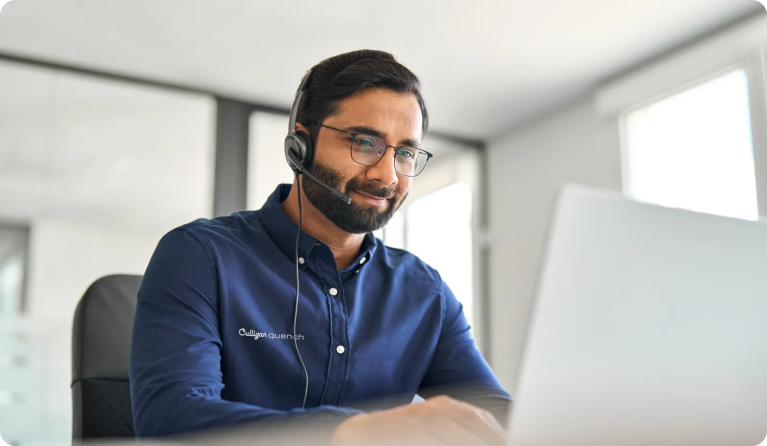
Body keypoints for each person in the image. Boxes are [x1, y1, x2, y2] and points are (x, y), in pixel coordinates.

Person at [129, 49, 511, 446]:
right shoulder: (199, 257)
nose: (387, 175)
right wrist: (351, 431)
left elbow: (497, 418)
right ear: (301, 144)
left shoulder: (425, 293)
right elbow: (169, 418)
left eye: (406, 154)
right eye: (364, 143)